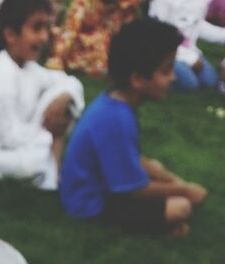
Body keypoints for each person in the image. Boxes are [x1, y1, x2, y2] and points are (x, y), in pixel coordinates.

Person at [59, 18, 208, 235]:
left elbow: (132, 162)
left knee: (154, 166)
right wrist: (184, 189)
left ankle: (163, 219)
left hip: (100, 187)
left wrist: (174, 181)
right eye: (166, 71)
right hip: (89, 203)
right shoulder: (116, 118)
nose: (173, 78)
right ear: (137, 79)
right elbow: (134, 190)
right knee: (180, 207)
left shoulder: (115, 102)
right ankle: (160, 226)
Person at [0, 0, 84, 189]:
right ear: (11, 35)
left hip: (23, 141)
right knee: (32, 162)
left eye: (46, 28)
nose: (44, 37)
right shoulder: (1, 76)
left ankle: (52, 169)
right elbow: (10, 138)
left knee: (62, 95)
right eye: (36, 28)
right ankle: (53, 171)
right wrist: (51, 133)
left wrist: (64, 98)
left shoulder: (29, 67)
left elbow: (70, 82)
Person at [47, 0, 141, 78]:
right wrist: (58, 57)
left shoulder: (122, 7)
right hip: (82, 46)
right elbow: (70, 30)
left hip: (108, 48)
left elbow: (129, 31)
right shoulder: (84, 3)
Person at [149, 0, 225, 90]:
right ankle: (154, 78)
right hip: (165, 51)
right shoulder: (162, 2)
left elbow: (197, 25)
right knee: (190, 84)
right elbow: (157, 33)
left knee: (210, 81)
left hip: (190, 50)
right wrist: (190, 59)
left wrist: (222, 35)